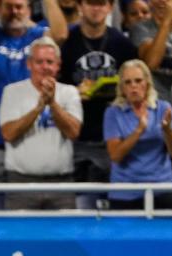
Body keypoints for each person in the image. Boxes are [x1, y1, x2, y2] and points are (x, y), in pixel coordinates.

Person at [0, 0, 68, 182]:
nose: (14, 11)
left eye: (19, 6)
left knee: (23, 202)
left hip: (29, 136)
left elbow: (61, 34)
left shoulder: (39, 37)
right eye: (8, 6)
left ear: (29, 9)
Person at [59, 0, 138, 186]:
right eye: (91, 3)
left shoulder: (122, 44)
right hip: (76, 136)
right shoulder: (67, 42)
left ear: (110, 8)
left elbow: (136, 87)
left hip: (112, 136)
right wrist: (73, 92)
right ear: (80, 6)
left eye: (101, 4)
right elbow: (53, 87)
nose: (96, 9)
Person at [0, 37, 83, 208]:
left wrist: (52, 103)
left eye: (50, 62)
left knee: (64, 235)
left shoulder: (69, 92)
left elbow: (73, 132)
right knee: (20, 235)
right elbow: (8, 133)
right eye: (39, 62)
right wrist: (38, 108)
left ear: (58, 65)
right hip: (21, 183)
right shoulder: (12, 92)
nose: (45, 67)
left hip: (61, 183)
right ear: (29, 64)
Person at [103, 59, 172, 209]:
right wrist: (138, 131)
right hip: (125, 192)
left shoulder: (163, 108)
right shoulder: (113, 113)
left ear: (147, 83)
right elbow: (115, 156)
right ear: (122, 87)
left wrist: (167, 130)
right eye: (128, 82)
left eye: (138, 81)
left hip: (162, 188)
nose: (133, 86)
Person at [130, 0, 172, 99]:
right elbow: (151, 63)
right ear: (150, 2)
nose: (162, 1)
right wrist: (166, 21)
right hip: (151, 101)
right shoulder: (141, 28)